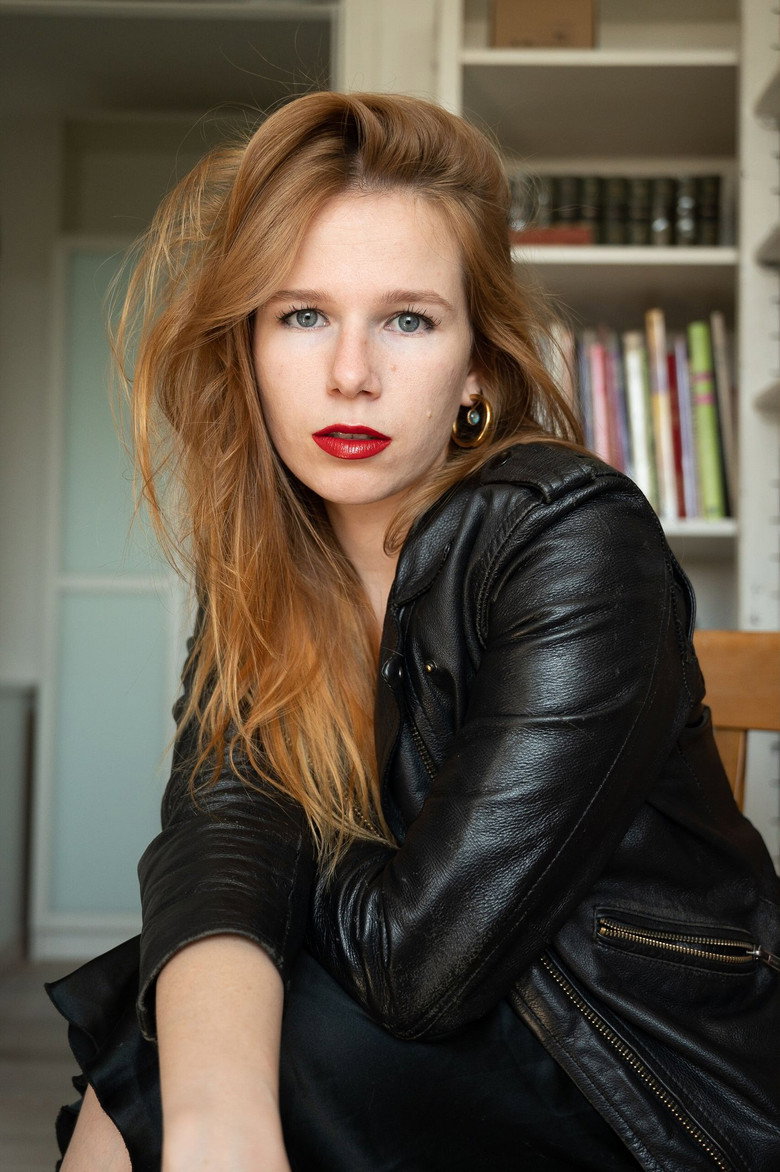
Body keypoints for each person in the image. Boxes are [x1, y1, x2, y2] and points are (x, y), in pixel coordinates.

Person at [45, 91, 780, 1172]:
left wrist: (275, 841)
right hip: (444, 1033)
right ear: (248, 343)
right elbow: (216, 845)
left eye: (408, 319)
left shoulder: (573, 537)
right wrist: (213, 1113)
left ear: (477, 365)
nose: (352, 372)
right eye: (302, 315)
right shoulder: (269, 566)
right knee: (177, 1047)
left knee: (174, 1039)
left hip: (642, 1077)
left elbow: (416, 965)